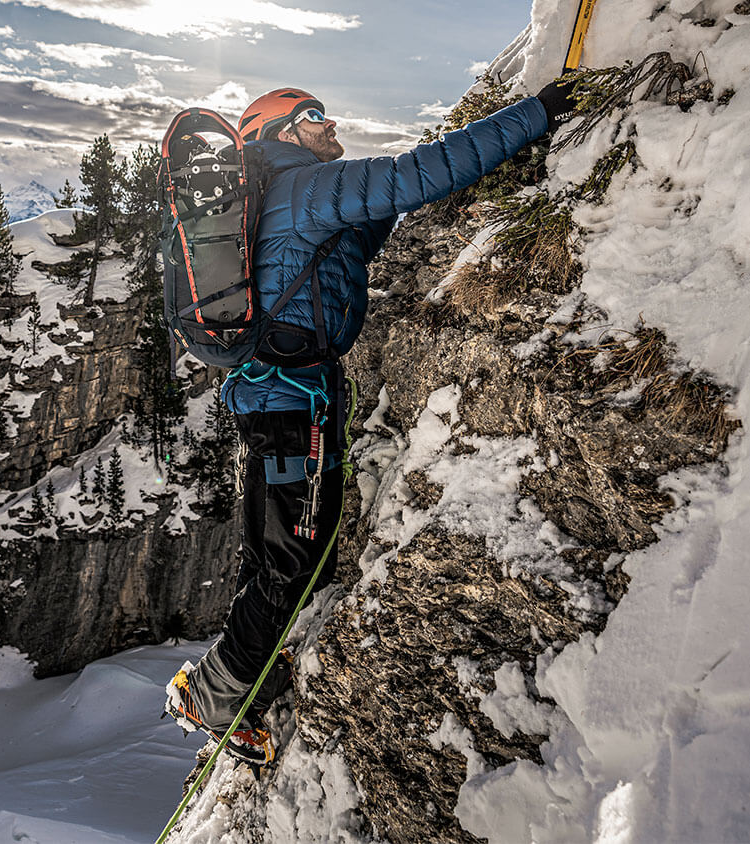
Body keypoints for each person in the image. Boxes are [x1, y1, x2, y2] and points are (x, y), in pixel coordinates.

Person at [164, 80, 578, 764]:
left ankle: (237, 685)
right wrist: (537, 112)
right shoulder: (307, 189)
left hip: (277, 400)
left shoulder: (288, 199)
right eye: (313, 116)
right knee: (296, 556)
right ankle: (212, 697)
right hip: (293, 404)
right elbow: (413, 176)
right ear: (280, 132)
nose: (330, 124)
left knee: (276, 552)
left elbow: (376, 218)